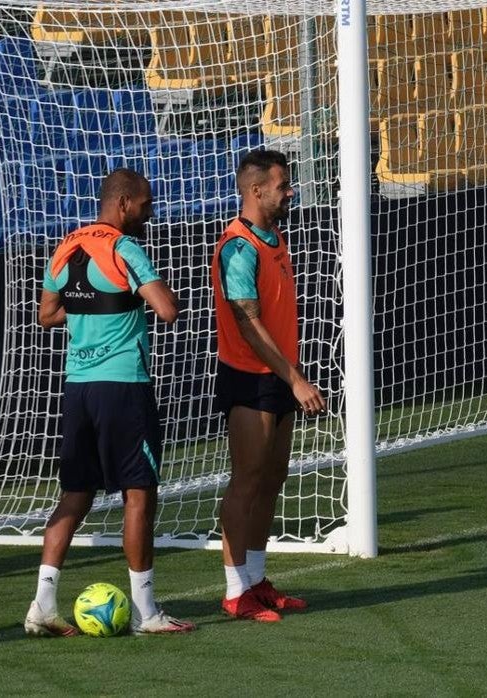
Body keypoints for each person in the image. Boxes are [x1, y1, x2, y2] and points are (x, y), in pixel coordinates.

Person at [23, 168, 196, 637]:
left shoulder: (65, 247)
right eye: (145, 203)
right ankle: (146, 612)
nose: (149, 212)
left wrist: (92, 308)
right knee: (139, 494)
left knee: (74, 496)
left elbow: (46, 314)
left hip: (78, 388)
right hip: (122, 386)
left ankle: (42, 604)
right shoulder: (124, 249)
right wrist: (143, 297)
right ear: (122, 203)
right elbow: (167, 309)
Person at [210, 149, 326, 623]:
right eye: (282, 185)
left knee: (273, 476)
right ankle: (235, 590)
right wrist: (295, 378)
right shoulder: (238, 246)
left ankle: (257, 580)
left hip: (278, 376)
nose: (290, 191)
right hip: (250, 378)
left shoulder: (273, 237)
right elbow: (247, 323)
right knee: (247, 480)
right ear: (256, 191)